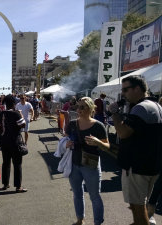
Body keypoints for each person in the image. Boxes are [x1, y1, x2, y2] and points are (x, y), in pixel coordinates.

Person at [109, 76, 162, 225]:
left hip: (137, 167)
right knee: (138, 206)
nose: (123, 93)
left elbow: (123, 133)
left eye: (125, 89)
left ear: (137, 89)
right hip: (151, 166)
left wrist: (114, 113)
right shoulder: (156, 106)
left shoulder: (141, 108)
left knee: (139, 211)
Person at [65, 97, 110, 225]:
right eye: (78, 106)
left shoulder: (98, 126)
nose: (79, 109)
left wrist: (98, 142)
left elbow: (107, 147)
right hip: (74, 164)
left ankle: (97, 222)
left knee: (95, 196)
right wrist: (66, 144)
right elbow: (65, 140)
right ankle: (80, 220)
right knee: (77, 194)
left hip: (91, 164)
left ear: (91, 108)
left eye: (82, 107)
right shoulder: (72, 124)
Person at [0, 95, 28, 193]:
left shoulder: (0, 114)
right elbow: (23, 125)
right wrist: (21, 115)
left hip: (3, 141)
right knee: (17, 164)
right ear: (14, 104)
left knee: (6, 163)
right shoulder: (16, 114)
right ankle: (18, 186)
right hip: (15, 142)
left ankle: (5, 184)